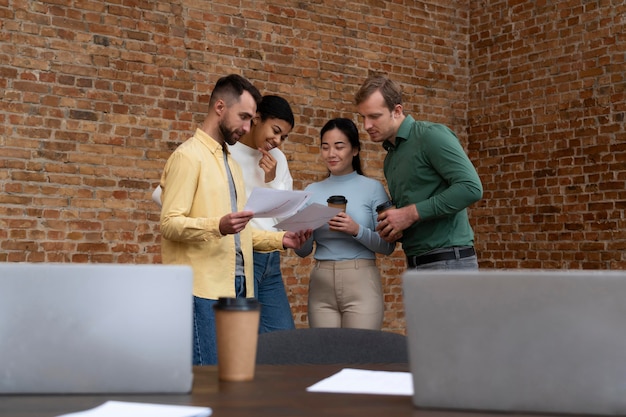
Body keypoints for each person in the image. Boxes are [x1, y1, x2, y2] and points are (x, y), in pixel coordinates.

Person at [158, 74, 310, 365]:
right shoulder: (187, 157)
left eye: (250, 119)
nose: (246, 127)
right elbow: (169, 224)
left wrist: (282, 239)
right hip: (201, 290)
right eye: (242, 117)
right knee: (208, 378)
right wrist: (217, 225)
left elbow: (242, 233)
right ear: (219, 108)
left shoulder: (231, 163)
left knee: (236, 376)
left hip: (238, 285)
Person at [354, 75, 483, 270]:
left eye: (374, 116)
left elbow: (471, 188)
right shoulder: (390, 157)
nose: (366, 126)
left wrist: (410, 213)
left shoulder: (431, 136)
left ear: (397, 111)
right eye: (363, 117)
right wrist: (395, 227)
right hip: (416, 264)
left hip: (449, 261)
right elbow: (415, 212)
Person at [294, 118, 395, 330]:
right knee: (324, 359)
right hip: (321, 283)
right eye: (325, 147)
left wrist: (356, 230)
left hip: (361, 281)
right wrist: (302, 234)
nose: (331, 154)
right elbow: (303, 252)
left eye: (339, 147)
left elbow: (387, 246)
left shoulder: (373, 189)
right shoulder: (311, 191)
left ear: (355, 150)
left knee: (360, 355)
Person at [229, 95, 296, 333]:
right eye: (275, 131)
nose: (277, 141)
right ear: (256, 119)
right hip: (240, 256)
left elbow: (284, 219)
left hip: (271, 258)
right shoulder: (227, 152)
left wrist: (271, 180)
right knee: (244, 337)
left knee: (284, 338)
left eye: (283, 137)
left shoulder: (278, 159)